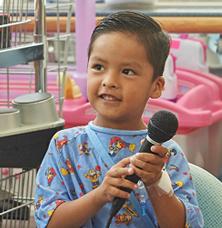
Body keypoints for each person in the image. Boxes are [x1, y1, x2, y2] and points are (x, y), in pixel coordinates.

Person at [34, 11, 204, 228]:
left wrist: (156, 182)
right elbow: (48, 222)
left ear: (156, 86)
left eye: (127, 71)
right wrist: (99, 196)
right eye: (98, 67)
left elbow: (186, 225)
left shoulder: (166, 153)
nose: (109, 81)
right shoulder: (64, 146)